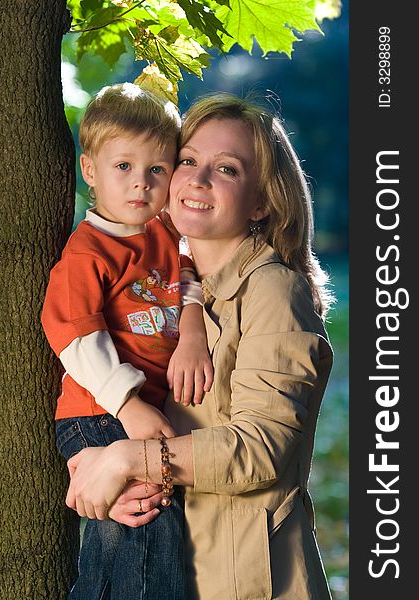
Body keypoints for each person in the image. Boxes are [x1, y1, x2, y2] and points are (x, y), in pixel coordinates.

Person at [65, 92, 335, 600]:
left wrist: (128, 461)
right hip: (174, 560)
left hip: (246, 578)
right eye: (187, 160)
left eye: (227, 169)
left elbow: (263, 448)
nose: (197, 179)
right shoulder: (154, 281)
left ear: (261, 201)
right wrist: (103, 473)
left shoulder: (274, 290)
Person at [41, 82, 213, 600]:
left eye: (156, 170)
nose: (141, 185)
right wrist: (129, 404)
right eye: (123, 168)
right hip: (100, 411)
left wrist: (194, 327)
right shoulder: (87, 252)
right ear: (89, 170)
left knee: (143, 547)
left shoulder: (164, 233)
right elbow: (73, 335)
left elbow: (190, 275)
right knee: (142, 544)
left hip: (143, 413)